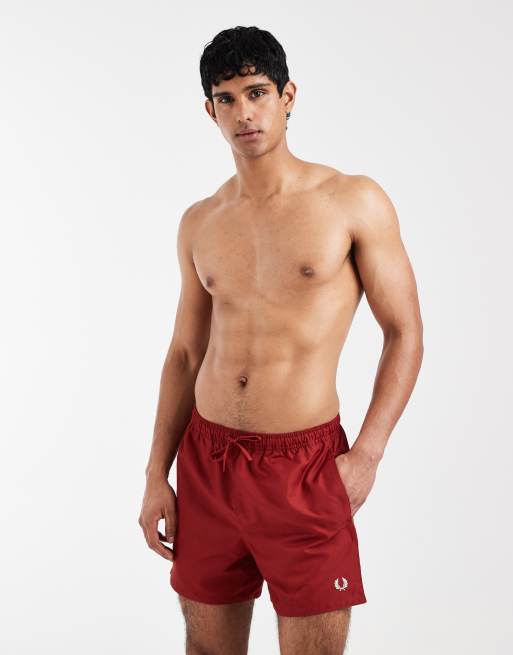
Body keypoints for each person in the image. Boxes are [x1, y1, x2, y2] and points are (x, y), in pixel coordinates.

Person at [138, 25, 423, 655]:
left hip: (305, 467)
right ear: (210, 110)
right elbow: (185, 354)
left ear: (287, 96)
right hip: (207, 461)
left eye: (257, 93)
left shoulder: (352, 201)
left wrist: (368, 454)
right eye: (227, 98)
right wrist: (157, 473)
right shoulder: (200, 221)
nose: (244, 113)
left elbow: (404, 331)